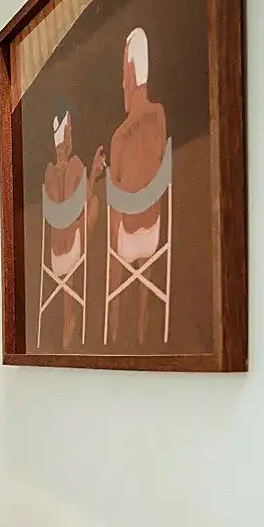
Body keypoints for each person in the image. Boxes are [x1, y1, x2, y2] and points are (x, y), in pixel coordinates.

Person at [105, 27, 168, 345]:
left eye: (122, 76)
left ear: (130, 73)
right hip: (154, 238)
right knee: (143, 203)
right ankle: (144, 320)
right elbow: (156, 162)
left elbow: (114, 196)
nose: (121, 84)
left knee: (115, 210)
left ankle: (113, 315)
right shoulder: (159, 115)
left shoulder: (118, 136)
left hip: (126, 243)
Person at [43, 108, 103, 348]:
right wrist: (95, 173)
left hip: (55, 259)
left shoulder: (48, 175)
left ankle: (69, 318)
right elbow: (86, 201)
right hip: (74, 252)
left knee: (67, 226)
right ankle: (71, 318)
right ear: (68, 139)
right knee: (95, 204)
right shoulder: (77, 165)